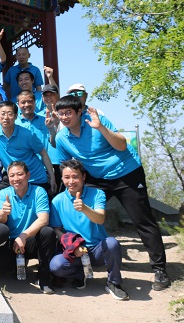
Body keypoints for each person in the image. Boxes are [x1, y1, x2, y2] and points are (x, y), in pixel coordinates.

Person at [53, 95, 170, 290]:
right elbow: (66, 167)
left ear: (79, 112)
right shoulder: (62, 137)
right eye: (61, 113)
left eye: (68, 113)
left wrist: (100, 128)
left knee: (142, 220)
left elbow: (121, 145)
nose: (64, 117)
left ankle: (160, 270)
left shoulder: (96, 121)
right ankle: (79, 258)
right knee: (82, 212)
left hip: (127, 173)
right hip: (98, 179)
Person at [49, 159, 129, 300]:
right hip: (75, 250)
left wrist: (85, 208)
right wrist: (73, 246)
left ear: (83, 177)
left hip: (97, 249)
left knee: (112, 243)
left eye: (75, 177)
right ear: (61, 178)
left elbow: (100, 219)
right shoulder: (57, 201)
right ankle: (79, 274)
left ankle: (114, 283)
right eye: (67, 177)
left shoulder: (97, 194)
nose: (71, 181)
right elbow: (56, 229)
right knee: (56, 266)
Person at [0, 161, 55, 294]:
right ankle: (17, 263)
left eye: (20, 174)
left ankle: (44, 277)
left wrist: (24, 236)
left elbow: (44, 219)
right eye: (12, 175)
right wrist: (4, 213)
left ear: (28, 175)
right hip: (11, 242)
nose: (16, 179)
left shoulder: (39, 191)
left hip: (30, 241)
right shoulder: (3, 193)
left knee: (47, 232)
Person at [0, 101, 56, 207]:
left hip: (34, 178)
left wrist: (52, 178)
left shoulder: (27, 134)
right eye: (3, 113)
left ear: (15, 116)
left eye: (9, 113)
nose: (6, 117)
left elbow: (43, 153)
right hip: (14, 178)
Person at [16, 90, 62, 191]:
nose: (27, 105)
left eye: (29, 101)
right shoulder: (14, 124)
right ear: (18, 104)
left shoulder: (46, 119)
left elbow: (56, 142)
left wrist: (53, 127)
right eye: (23, 102)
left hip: (48, 168)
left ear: (35, 102)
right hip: (24, 171)